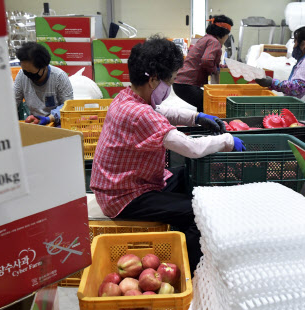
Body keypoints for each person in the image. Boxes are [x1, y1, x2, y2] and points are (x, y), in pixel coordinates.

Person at [90, 36, 245, 273]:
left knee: (185, 176)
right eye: (170, 81)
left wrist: (196, 118)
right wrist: (227, 140)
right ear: (153, 81)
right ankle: (190, 275)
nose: (170, 88)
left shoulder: (126, 98)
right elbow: (192, 149)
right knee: (196, 212)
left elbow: (160, 111)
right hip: (124, 197)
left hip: (126, 183)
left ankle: (178, 241)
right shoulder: (140, 114)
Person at [173, 15, 234, 112]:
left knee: (203, 104)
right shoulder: (214, 42)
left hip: (180, 83)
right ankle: (204, 125)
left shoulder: (206, 38)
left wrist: (224, 67)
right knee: (208, 103)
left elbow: (209, 61)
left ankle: (201, 124)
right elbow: (207, 60)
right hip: (186, 84)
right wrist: (215, 71)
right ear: (224, 33)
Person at [255, 26, 305, 102]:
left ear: (303, 44)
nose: (293, 46)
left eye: (295, 42)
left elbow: (297, 88)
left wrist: (272, 82)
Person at [14, 42, 73, 127]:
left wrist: (49, 119)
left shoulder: (59, 77)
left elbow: (68, 105)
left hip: (57, 124)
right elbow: (13, 101)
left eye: (31, 72)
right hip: (35, 123)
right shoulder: (21, 76)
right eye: (25, 71)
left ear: (44, 66)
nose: (28, 75)